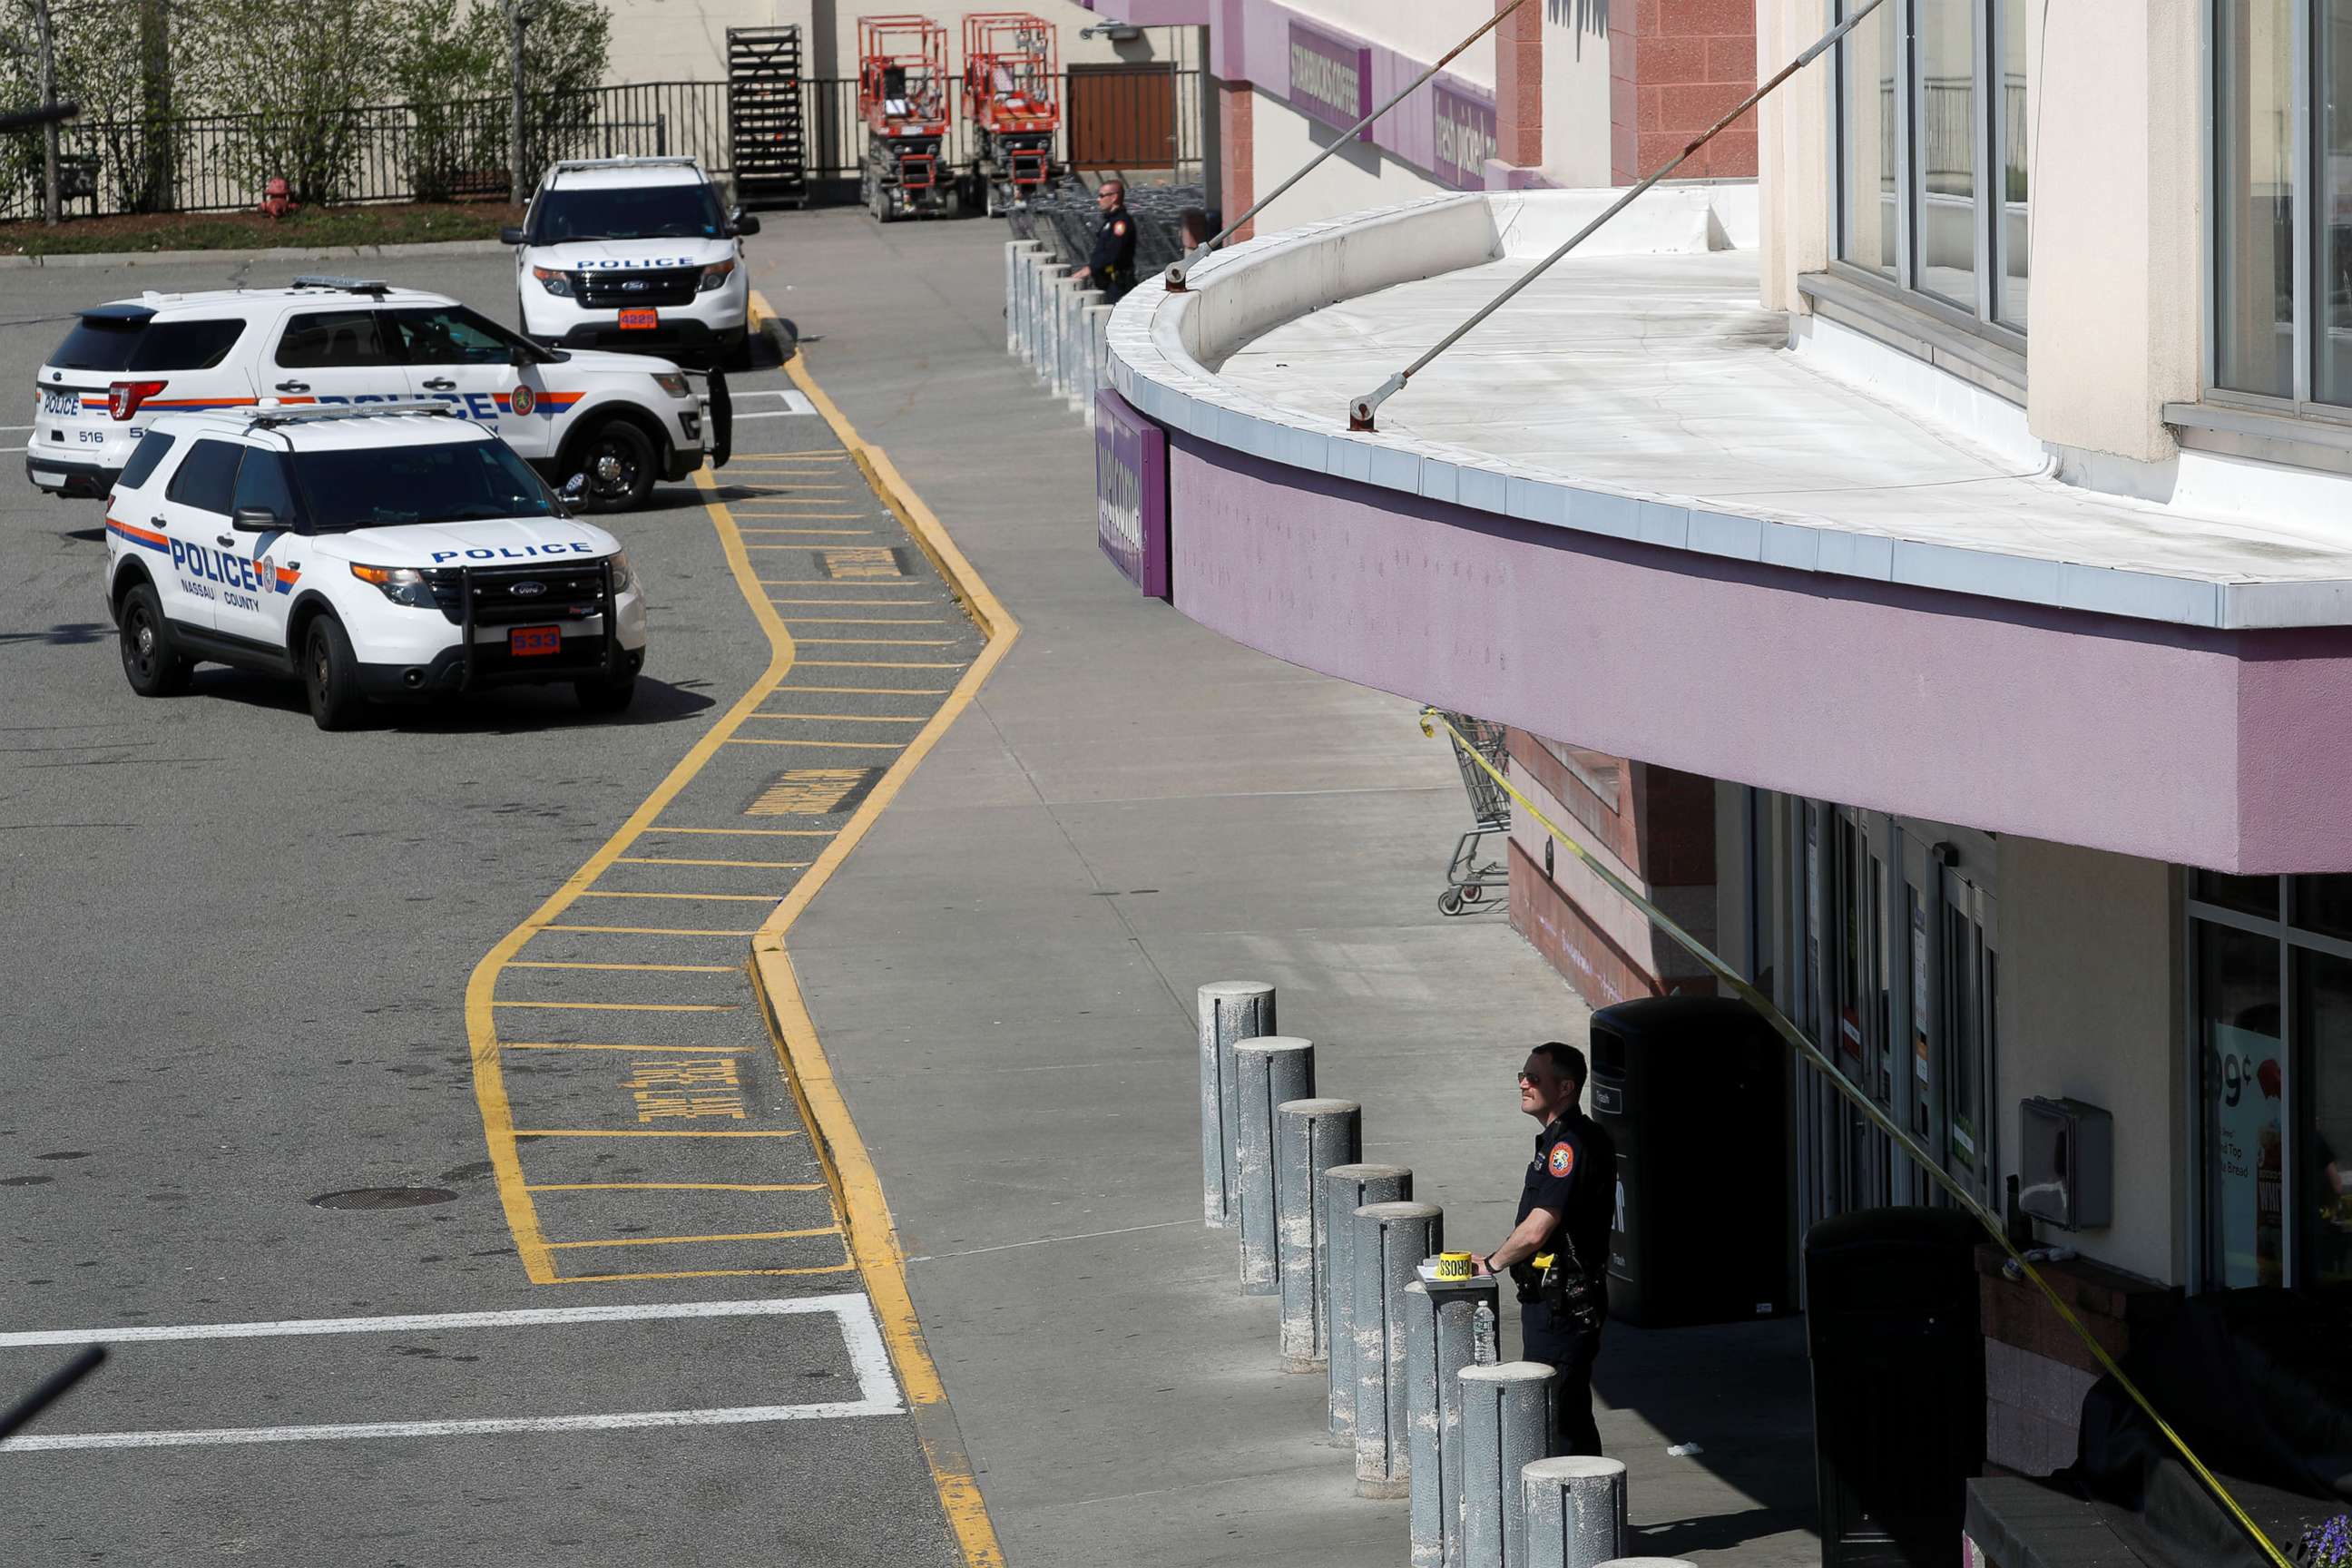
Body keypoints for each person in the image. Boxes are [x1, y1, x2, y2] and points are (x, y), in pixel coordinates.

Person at [1475, 1041, 1614, 1455]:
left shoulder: (1568, 1146)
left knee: (1556, 1418)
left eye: (1534, 1077)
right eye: (1522, 1074)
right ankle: (1586, 1517)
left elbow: (1538, 1229)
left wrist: (1492, 1263)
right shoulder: (1562, 1139)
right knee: (1567, 1412)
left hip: (1564, 1307)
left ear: (1566, 1087)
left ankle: (1576, 1514)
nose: (1523, 1082)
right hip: (1554, 1301)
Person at [1071, 178, 1137, 302]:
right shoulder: (1111, 221)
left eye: (1101, 196)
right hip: (1108, 282)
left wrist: (1091, 268)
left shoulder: (1121, 222)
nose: (1098, 200)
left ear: (1114, 197)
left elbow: (1113, 252)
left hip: (1118, 284)